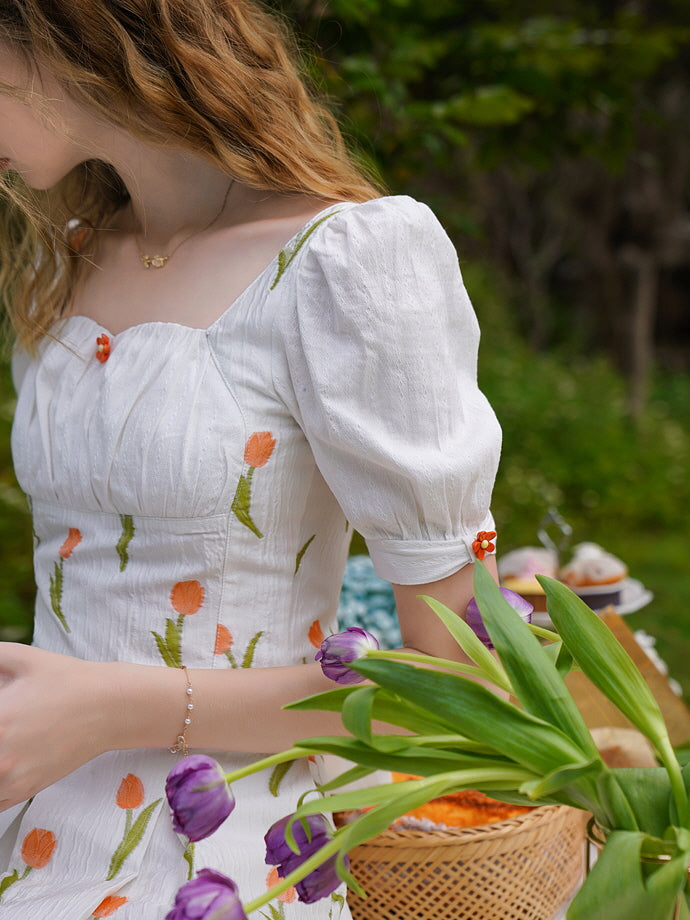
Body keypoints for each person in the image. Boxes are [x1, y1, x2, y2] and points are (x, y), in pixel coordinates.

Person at [0, 1, 502, 917]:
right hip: (28, 844)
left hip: (219, 863)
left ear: (60, 30)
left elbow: (460, 698)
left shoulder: (346, 263)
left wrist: (113, 709)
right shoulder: (66, 261)